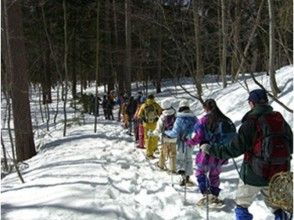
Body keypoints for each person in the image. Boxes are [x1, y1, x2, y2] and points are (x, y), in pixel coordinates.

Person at [200, 89, 293, 219]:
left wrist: (210, 149)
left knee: (242, 204)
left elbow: (235, 148)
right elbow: (291, 146)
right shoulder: (279, 119)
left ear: (252, 103)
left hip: (253, 173)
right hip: (278, 173)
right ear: (266, 102)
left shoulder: (251, 121)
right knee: (276, 206)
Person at [186, 99, 236, 205]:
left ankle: (206, 194)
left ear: (205, 108)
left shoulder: (204, 120)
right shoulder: (225, 119)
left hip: (207, 152)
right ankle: (214, 195)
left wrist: (190, 142)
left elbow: (198, 137)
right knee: (214, 175)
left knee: (200, 172)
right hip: (220, 153)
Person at [164, 99, 197, 186]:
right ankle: (187, 178)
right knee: (189, 159)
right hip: (190, 141)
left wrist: (166, 132)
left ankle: (182, 178)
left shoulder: (179, 119)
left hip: (181, 143)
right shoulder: (194, 118)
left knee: (180, 159)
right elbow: (198, 128)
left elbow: (174, 133)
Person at [149, 99, 177, 173]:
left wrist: (153, 133)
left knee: (163, 152)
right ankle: (173, 169)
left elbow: (158, 129)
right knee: (173, 154)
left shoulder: (162, 117)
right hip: (174, 137)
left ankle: (161, 165)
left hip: (165, 138)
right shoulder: (175, 114)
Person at [138, 94, 162, 159]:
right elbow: (160, 113)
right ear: (153, 98)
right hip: (154, 124)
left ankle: (149, 153)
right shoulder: (155, 105)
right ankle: (154, 148)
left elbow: (139, 115)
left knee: (148, 138)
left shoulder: (144, 105)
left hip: (146, 125)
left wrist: (144, 120)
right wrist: (157, 118)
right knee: (154, 137)